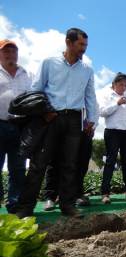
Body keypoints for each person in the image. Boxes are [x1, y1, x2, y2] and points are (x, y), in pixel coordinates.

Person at [15, 28, 98, 218]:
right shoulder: (49, 63)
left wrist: (91, 120)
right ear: (68, 42)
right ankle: (25, 207)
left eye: (85, 45)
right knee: (39, 163)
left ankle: (67, 205)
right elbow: (36, 89)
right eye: (81, 45)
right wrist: (44, 112)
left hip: (74, 120)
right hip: (51, 117)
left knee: (70, 164)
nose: (84, 49)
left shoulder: (87, 70)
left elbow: (90, 96)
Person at [0, 39, 31, 213]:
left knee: (18, 167)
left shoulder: (25, 74)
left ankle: (14, 204)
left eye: (13, 52)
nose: (10, 55)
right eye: (6, 51)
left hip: (20, 126)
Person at [99, 72, 126, 204]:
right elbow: (102, 112)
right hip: (112, 131)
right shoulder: (107, 95)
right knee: (110, 162)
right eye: (121, 84)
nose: (124, 87)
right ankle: (105, 193)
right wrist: (117, 103)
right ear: (114, 85)